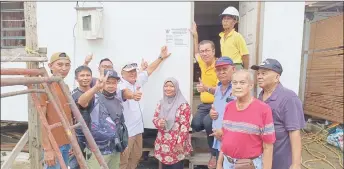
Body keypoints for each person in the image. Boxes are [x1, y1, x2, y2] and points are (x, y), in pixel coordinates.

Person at [76, 69, 142, 169]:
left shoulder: (117, 101)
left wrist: (123, 144)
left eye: (114, 83)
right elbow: (81, 102)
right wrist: (96, 88)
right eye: (108, 82)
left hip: (114, 150)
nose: (111, 85)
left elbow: (120, 125)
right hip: (96, 150)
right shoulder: (94, 98)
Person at [119, 46, 172, 169]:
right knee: (123, 160)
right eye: (129, 71)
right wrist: (133, 95)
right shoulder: (121, 85)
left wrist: (160, 57)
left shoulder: (138, 81)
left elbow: (149, 69)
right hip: (126, 132)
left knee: (136, 157)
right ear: (122, 74)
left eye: (134, 71)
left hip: (138, 129)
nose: (132, 73)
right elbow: (125, 93)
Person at [251, 59, 305, 169]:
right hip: (262, 158)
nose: (259, 76)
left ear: (277, 77)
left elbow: (294, 132)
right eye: (258, 73)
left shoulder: (288, 98)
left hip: (280, 161)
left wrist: (296, 164)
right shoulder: (260, 97)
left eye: (264, 73)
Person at [216, 69, 275, 169]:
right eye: (235, 83)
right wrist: (219, 163)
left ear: (251, 86)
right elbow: (225, 138)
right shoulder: (228, 107)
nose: (238, 86)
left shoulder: (263, 109)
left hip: (250, 165)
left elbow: (268, 146)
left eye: (242, 83)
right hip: (227, 163)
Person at [190, 26, 218, 168]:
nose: (204, 53)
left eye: (207, 50)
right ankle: (212, 132)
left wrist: (206, 88)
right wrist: (195, 36)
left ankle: (214, 154)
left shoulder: (219, 66)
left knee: (208, 123)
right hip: (203, 106)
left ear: (213, 51)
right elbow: (195, 52)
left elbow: (222, 91)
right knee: (195, 124)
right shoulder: (202, 62)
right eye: (202, 51)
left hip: (216, 105)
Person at [40, 52, 73, 169]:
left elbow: (68, 116)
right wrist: (48, 148)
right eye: (60, 64)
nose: (64, 68)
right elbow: (41, 119)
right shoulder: (44, 86)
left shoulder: (64, 86)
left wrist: (72, 140)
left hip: (66, 142)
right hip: (54, 145)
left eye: (67, 65)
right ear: (50, 66)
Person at [152, 77, 192, 169]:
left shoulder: (183, 105)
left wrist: (180, 142)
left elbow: (185, 126)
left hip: (176, 143)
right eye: (166, 86)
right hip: (163, 142)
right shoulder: (161, 103)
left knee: (176, 166)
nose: (168, 88)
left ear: (176, 88)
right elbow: (155, 118)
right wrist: (159, 122)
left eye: (171, 86)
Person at [208, 57, 236, 160]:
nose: (221, 72)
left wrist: (224, 132)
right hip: (218, 140)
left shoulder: (238, 88)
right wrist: (212, 113)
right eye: (218, 70)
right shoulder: (218, 89)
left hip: (232, 140)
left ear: (233, 69)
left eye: (225, 69)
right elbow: (218, 108)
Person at [69, 65, 93, 169]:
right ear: (76, 79)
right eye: (82, 75)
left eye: (88, 75)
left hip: (93, 136)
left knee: (89, 164)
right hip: (78, 135)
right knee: (74, 164)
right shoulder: (73, 94)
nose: (85, 78)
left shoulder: (96, 93)